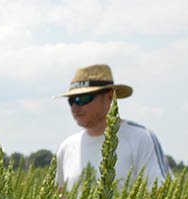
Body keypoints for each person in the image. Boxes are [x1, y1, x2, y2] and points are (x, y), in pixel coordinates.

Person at [55, 64, 170, 192]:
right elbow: (61, 197)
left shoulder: (141, 138)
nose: (75, 107)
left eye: (82, 98)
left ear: (109, 96)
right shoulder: (67, 147)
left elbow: (161, 193)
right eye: (71, 100)